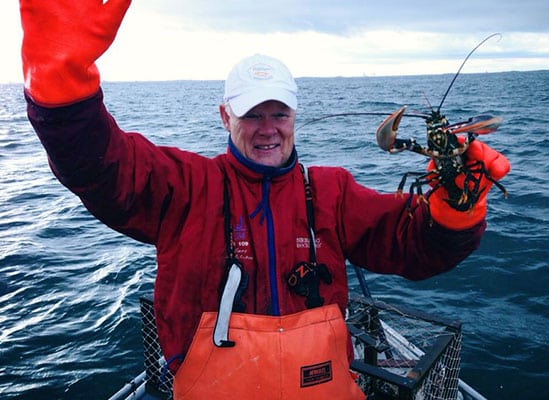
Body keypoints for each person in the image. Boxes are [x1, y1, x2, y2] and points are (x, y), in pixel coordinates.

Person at [19, 1, 510, 399]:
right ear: (225, 116)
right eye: (253, 114)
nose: (268, 128)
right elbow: (103, 168)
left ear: (295, 115)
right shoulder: (188, 187)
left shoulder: (333, 191)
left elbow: (414, 246)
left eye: (279, 113)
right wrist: (62, 92)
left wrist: (455, 211)